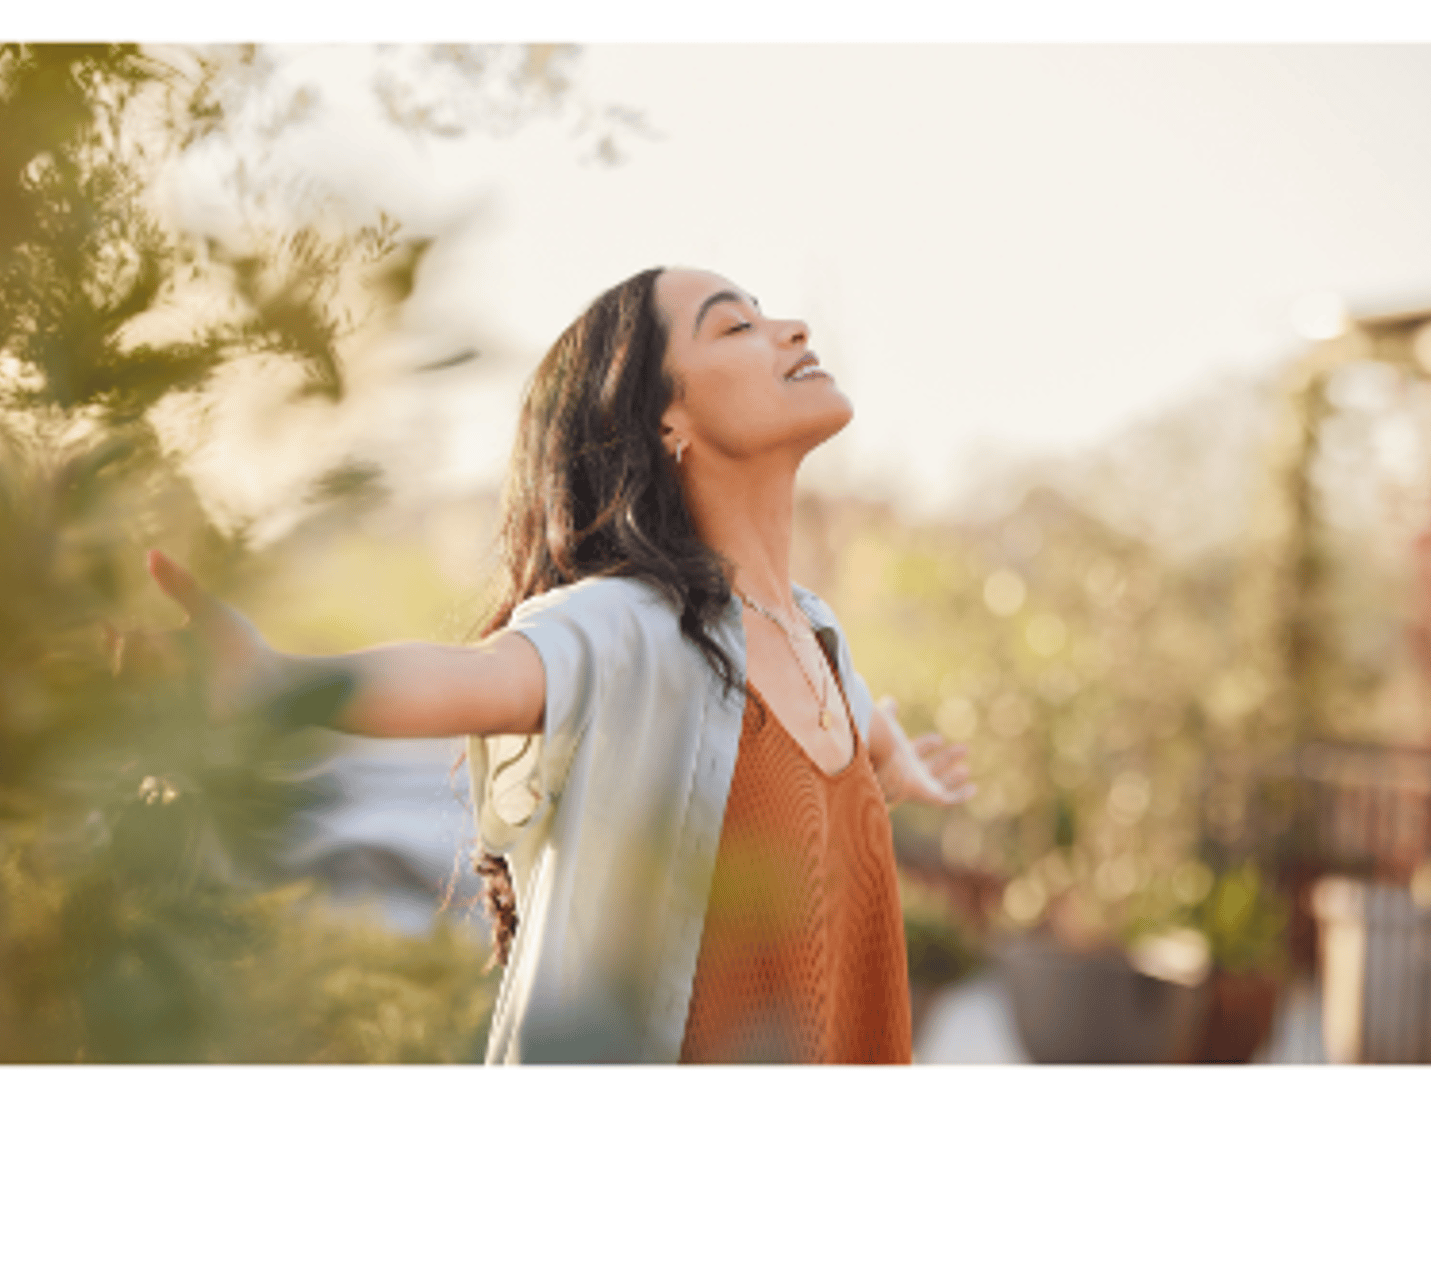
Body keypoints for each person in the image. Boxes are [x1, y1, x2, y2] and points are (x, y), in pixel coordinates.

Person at [129, 266, 973, 1063]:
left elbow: (846, 727)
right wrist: (278, 684)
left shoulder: (817, 638)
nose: (792, 330)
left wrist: (890, 756)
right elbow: (479, 680)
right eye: (738, 326)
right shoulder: (630, 626)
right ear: (665, 420)